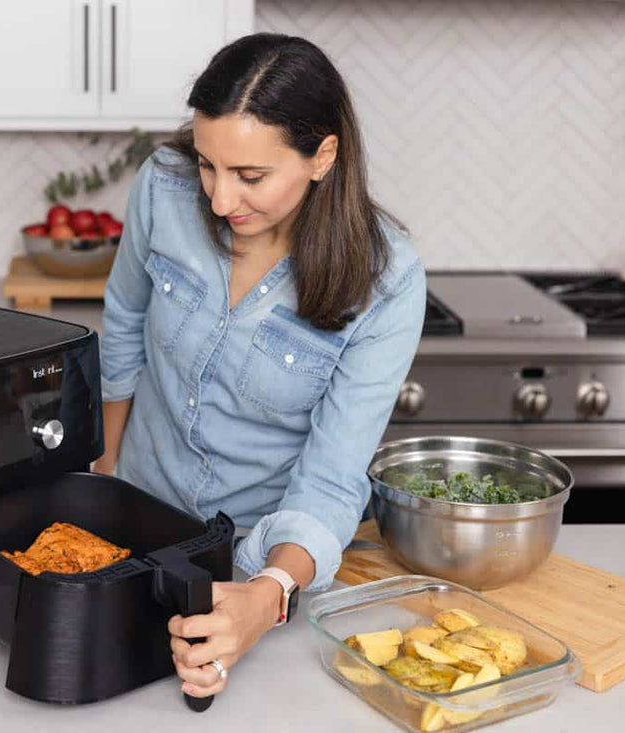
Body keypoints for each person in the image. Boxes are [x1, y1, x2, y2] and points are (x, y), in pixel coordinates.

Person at [92, 33, 425, 701]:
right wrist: (104, 475)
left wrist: (266, 596)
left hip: (254, 560)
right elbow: (122, 325)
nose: (218, 199)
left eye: (250, 176)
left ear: (323, 155)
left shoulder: (385, 281)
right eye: (209, 163)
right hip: (133, 518)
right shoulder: (163, 185)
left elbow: (331, 481)